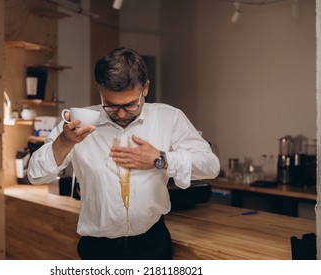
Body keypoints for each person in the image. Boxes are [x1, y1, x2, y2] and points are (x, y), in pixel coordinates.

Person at [27, 47, 220, 260]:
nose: (120, 114)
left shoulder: (169, 118)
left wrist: (161, 159)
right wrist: (64, 142)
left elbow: (211, 166)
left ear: (145, 88)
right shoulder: (77, 122)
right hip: (98, 250)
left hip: (153, 244)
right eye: (110, 105)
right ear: (100, 90)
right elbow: (35, 176)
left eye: (130, 105)